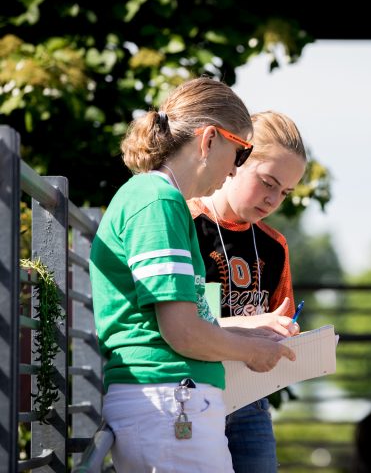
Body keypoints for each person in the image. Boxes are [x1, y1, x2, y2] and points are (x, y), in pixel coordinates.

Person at [89, 77, 296, 472]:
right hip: (168, 404)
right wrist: (253, 350)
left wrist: (250, 334)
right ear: (209, 140)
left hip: (171, 405)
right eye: (240, 153)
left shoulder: (158, 198)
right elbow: (182, 331)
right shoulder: (158, 200)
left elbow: (183, 322)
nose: (236, 169)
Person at [188, 110, 308, 472]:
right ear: (237, 161)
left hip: (251, 402)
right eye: (268, 182)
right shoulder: (186, 222)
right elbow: (181, 321)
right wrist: (254, 325)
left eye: (285, 192)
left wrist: (287, 334)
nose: (273, 200)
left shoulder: (274, 245)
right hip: (193, 392)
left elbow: (279, 322)